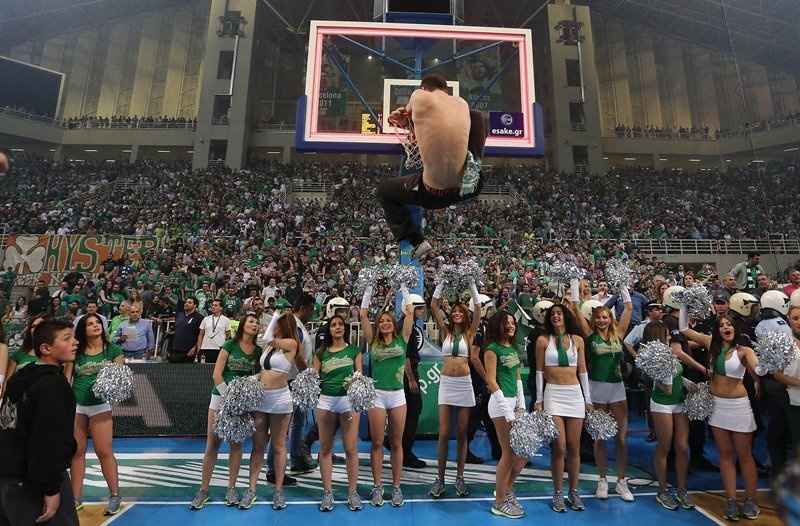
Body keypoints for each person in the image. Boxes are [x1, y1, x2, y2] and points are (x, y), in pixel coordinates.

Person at [376, 73, 487, 260]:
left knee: (383, 191)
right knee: (476, 116)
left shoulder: (419, 97)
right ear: (446, 90)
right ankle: (472, 172)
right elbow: (438, 128)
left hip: (433, 193)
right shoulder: (461, 104)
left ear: (423, 88)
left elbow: (404, 114)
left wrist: (401, 117)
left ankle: (417, 240)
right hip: (471, 185)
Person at [679, 307, 762, 520]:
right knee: (724, 455)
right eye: (721, 325)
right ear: (717, 330)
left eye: (729, 325)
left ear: (735, 328)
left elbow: (759, 369)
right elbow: (683, 329)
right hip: (717, 407)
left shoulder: (745, 351)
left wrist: (761, 371)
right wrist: (684, 304)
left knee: (744, 455)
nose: (726, 327)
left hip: (739, 407)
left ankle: (751, 499)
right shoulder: (711, 345)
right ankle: (731, 500)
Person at [0, 319, 80, 526]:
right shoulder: (52, 385)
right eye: (67, 338)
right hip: (34, 483)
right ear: (46, 348)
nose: (76, 342)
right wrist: (51, 488)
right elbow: (46, 440)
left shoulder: (20, 377)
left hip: (8, 479)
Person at [572, 279, 634, 502]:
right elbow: (575, 308)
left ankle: (621, 481)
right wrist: (574, 281)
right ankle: (602, 479)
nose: (601, 321)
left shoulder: (619, 333)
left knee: (622, 438)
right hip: (596, 388)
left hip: (617, 389)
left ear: (610, 319)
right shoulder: (589, 336)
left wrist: (621, 281)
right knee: (600, 437)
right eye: (598, 317)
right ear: (593, 319)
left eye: (605, 317)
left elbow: (629, 307)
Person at [189, 314, 260, 510]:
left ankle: (232, 488)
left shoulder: (258, 351)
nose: (254, 325)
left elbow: (261, 374)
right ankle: (203, 489)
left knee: (236, 445)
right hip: (220, 399)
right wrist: (228, 397)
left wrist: (248, 386)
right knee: (212, 444)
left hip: (240, 404)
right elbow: (217, 374)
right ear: (243, 325)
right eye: (251, 321)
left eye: (257, 323)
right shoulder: (229, 345)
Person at [359, 284, 414, 507]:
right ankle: (377, 486)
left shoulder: (403, 339)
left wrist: (403, 288)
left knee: (397, 443)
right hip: (377, 396)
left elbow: (410, 311)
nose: (384, 323)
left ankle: (397, 487)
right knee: (377, 442)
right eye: (381, 321)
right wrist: (369, 290)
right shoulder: (372, 341)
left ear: (393, 323)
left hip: (398, 395)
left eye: (387, 320)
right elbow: (363, 314)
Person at [534, 303, 592, 513]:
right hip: (553, 395)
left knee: (575, 447)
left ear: (566, 316)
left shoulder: (577, 340)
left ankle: (574, 492)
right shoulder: (542, 340)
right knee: (559, 446)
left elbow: (583, 370)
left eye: (559, 313)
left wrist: (588, 398)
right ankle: (557, 493)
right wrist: (539, 399)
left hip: (575, 394)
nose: (556, 317)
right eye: (553, 314)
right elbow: (539, 371)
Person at [65, 313, 124, 515]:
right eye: (90, 324)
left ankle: (115, 495)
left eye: (97, 322)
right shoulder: (75, 352)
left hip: (100, 407)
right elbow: (66, 381)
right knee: (76, 452)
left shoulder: (114, 351)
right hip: (77, 407)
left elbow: (119, 383)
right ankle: (75, 498)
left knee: (103, 451)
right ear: (83, 330)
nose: (95, 325)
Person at [428, 280, 482, 498]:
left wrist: (472, 281)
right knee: (443, 434)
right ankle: (440, 479)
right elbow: (433, 306)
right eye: (454, 311)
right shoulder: (444, 331)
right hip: (447, 385)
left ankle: (460, 477)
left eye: (460, 311)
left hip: (464, 384)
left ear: (464, 315)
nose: (457, 313)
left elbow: (478, 308)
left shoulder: (470, 334)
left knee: (461, 433)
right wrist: (441, 281)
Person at [241, 313, 301, 510]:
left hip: (280, 400)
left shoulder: (291, 343)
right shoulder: (269, 346)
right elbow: (265, 369)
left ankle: (278, 491)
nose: (273, 327)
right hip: (261, 398)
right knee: (258, 446)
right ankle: (251, 490)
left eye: (276, 324)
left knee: (278, 446)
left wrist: (275, 315)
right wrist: (253, 379)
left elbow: (266, 337)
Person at [641, 321, 696, 511]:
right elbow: (665, 387)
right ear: (658, 336)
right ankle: (662, 491)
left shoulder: (670, 353)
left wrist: (690, 385)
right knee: (664, 447)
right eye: (666, 335)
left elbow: (678, 375)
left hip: (679, 403)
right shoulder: (654, 358)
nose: (670, 337)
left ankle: (682, 490)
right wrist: (663, 379)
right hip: (662, 404)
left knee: (681, 447)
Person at [313, 314, 363, 512]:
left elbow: (360, 376)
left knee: (351, 449)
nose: (337, 327)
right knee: (325, 449)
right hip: (326, 401)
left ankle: (352, 492)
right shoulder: (320, 353)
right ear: (329, 330)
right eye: (333, 325)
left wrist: (356, 382)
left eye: (340, 324)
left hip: (348, 402)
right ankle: (328, 492)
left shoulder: (354, 351)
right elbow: (314, 379)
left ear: (345, 328)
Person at [484, 310, 528, 519]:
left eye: (513, 323)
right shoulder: (492, 349)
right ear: (498, 325)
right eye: (507, 323)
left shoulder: (511, 347)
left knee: (524, 451)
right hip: (500, 406)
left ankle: (507, 488)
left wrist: (521, 404)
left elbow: (517, 377)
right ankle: (499, 502)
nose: (511, 326)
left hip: (514, 404)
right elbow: (492, 381)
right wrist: (508, 411)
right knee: (508, 453)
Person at [398, 293, 427, 468]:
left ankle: (396, 442)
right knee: (413, 410)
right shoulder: (406, 327)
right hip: (408, 374)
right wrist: (411, 379)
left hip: (407, 373)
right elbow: (405, 356)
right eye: (418, 307)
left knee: (410, 410)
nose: (422, 310)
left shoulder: (409, 325)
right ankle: (406, 451)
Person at [774, 305, 800, 464]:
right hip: (795, 401)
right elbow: (777, 373)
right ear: (789, 320)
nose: (799, 322)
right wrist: (798, 383)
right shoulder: (784, 344)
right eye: (795, 318)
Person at [167, 296, 204, 363]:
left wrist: (195, 348)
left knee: (185, 372)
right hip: (175, 349)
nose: (186, 304)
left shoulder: (199, 318)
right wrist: (171, 332)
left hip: (188, 351)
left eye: (189, 303)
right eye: (186, 302)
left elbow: (201, 335)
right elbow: (175, 328)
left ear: (195, 305)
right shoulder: (180, 315)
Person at [195, 299, 232, 364]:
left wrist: (226, 350)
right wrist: (199, 349)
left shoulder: (226, 320)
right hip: (205, 348)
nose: (213, 307)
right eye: (212, 305)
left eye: (215, 305)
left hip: (219, 349)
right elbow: (201, 335)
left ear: (221, 308)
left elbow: (228, 337)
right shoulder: (206, 319)